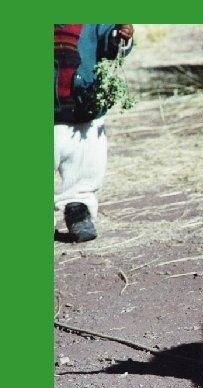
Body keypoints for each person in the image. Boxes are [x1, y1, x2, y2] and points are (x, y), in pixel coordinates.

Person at [54, 24, 134, 242]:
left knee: (85, 163)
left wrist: (120, 35)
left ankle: (78, 211)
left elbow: (111, 44)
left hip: (84, 107)